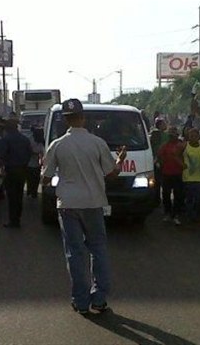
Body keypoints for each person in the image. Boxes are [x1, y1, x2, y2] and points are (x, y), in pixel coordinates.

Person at [42, 98, 127, 315]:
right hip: (93, 203)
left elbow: (46, 178)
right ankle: (99, 299)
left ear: (65, 120)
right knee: (98, 250)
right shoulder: (97, 143)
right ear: (83, 117)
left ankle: (80, 302)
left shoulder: (57, 144)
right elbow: (112, 173)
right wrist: (120, 160)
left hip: (68, 205)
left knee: (75, 253)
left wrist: (46, 168)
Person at [0, 118, 32, 228]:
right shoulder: (24, 139)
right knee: (19, 195)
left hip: (10, 171)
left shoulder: (6, 139)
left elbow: (1, 155)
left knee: (12, 197)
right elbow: (29, 153)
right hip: (22, 170)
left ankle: (13, 220)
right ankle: (17, 218)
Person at [181, 128, 200, 222]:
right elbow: (176, 155)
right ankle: (190, 215)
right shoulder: (185, 145)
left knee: (199, 198)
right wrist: (182, 164)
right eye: (191, 136)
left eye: (194, 136)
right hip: (188, 177)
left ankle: (195, 214)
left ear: (198, 136)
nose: (193, 138)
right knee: (189, 197)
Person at [158, 126, 184, 225]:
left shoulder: (181, 145)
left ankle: (176, 214)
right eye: (170, 135)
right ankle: (168, 213)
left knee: (178, 195)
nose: (172, 137)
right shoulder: (165, 146)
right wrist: (162, 164)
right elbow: (160, 156)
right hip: (166, 173)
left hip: (178, 173)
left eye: (174, 134)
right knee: (166, 194)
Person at [150, 118, 169, 204]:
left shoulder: (164, 134)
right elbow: (157, 148)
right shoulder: (156, 134)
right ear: (160, 125)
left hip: (162, 160)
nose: (166, 125)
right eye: (164, 123)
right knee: (159, 181)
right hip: (159, 160)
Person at [26, 127, 44, 198]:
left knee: (32, 179)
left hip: (33, 163)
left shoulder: (33, 139)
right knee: (33, 179)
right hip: (33, 163)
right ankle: (32, 192)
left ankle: (31, 192)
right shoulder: (32, 140)